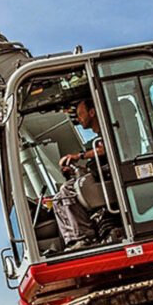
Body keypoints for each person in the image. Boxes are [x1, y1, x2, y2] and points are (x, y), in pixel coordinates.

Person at [53, 98, 106, 251]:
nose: (79, 119)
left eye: (80, 114)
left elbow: (106, 149)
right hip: (98, 175)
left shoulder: (108, 130)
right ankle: (72, 240)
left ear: (92, 112)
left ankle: (85, 237)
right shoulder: (98, 137)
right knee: (58, 199)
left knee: (67, 191)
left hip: (109, 177)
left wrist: (78, 156)